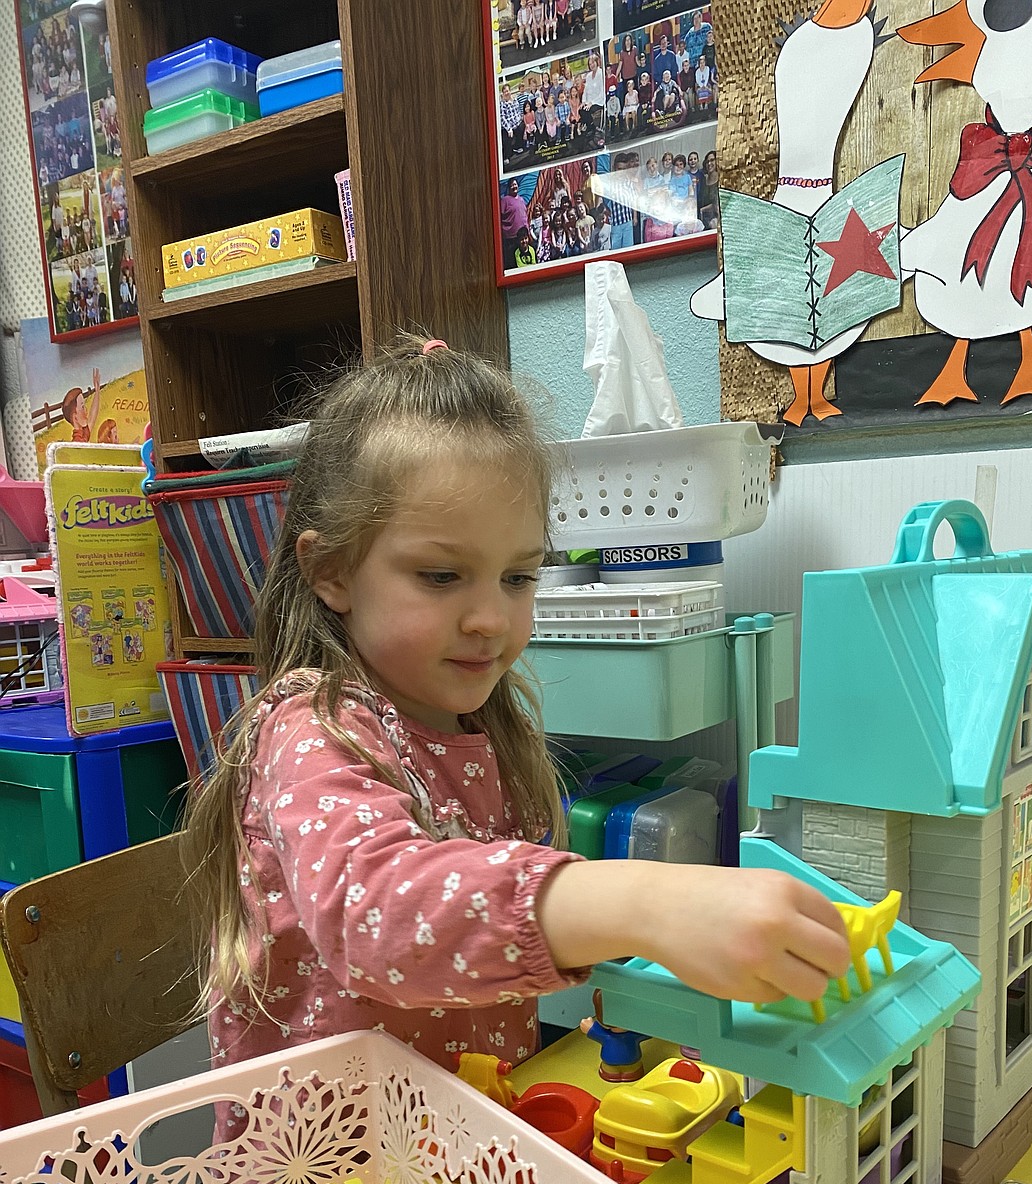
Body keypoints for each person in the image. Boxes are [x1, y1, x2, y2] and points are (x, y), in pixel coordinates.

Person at [183, 341, 849, 1126]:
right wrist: (644, 902)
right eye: (440, 576)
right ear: (332, 571)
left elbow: (491, 927)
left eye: (520, 576)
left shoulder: (481, 726)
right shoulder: (312, 728)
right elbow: (380, 916)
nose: (491, 618)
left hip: (462, 1151)